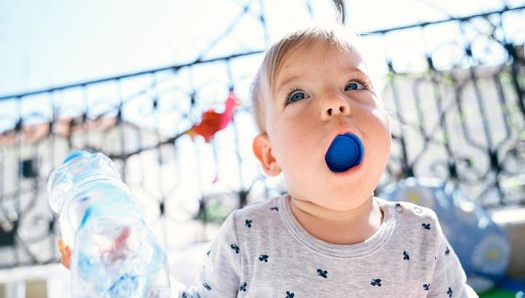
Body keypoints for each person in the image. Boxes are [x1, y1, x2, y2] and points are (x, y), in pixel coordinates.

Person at [59, 25, 478, 297]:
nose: (335, 102)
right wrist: (121, 265)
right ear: (270, 154)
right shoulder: (249, 235)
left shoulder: (420, 232)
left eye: (354, 84)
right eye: (298, 95)